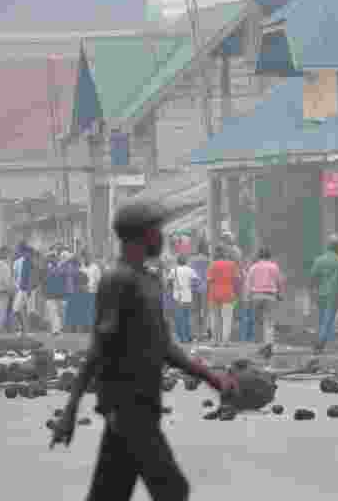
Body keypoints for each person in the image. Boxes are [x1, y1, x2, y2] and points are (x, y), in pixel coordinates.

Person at [50, 201, 237, 501]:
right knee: (173, 489)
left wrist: (212, 378)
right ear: (142, 236)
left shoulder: (148, 281)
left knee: (109, 494)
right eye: (157, 231)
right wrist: (71, 410)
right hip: (128, 407)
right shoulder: (117, 281)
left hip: (142, 405)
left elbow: (165, 347)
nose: (161, 238)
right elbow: (99, 348)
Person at [311, 234, 338, 355]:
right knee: (328, 320)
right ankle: (320, 342)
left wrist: (314, 291)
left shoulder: (319, 260)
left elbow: (313, 278)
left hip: (320, 294)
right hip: (333, 294)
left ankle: (323, 342)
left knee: (322, 319)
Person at [245, 247, 284, 359]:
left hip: (256, 296)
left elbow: (248, 283)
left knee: (258, 322)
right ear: (269, 256)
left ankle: (261, 345)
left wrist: (247, 297)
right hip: (270, 296)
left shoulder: (254, 267)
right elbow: (279, 281)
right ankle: (268, 345)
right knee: (269, 321)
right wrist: (280, 294)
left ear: (259, 256)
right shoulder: (274, 266)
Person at [206, 248, 239, 347]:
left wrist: (208, 294)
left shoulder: (212, 265)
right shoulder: (232, 265)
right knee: (227, 318)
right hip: (228, 294)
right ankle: (225, 341)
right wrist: (237, 293)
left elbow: (209, 280)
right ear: (225, 254)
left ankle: (215, 341)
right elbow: (236, 280)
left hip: (214, 295)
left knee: (215, 318)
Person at [167, 256, 198, 344]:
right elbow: (196, 281)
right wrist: (190, 287)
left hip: (177, 297)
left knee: (179, 318)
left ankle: (182, 338)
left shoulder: (174, 270)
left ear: (178, 261)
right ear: (186, 261)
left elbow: (169, 283)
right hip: (188, 297)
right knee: (187, 318)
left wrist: (174, 288)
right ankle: (188, 337)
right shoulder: (190, 270)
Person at [188, 241, 210, 341]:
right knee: (205, 311)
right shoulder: (208, 260)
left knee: (194, 311)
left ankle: (195, 333)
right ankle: (204, 333)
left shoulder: (192, 260)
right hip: (205, 287)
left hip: (193, 287)